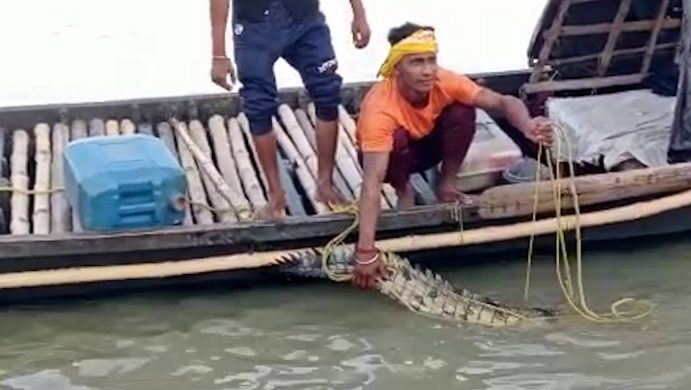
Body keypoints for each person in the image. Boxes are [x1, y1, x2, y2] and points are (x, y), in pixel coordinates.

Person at [351, 22, 555, 290]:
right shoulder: (379, 109)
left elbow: (503, 102)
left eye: (431, 61)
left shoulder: (444, 80)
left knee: (462, 109)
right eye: (416, 63)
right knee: (397, 140)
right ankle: (404, 189)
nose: (427, 71)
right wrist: (366, 251)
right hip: (391, 158)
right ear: (397, 68)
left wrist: (527, 125)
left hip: (425, 147)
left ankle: (446, 185)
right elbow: (371, 183)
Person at [209, 0, 371, 218]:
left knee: (327, 93)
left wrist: (358, 13)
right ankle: (275, 195)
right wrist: (218, 55)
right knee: (258, 108)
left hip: (304, 19)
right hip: (255, 25)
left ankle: (325, 184)